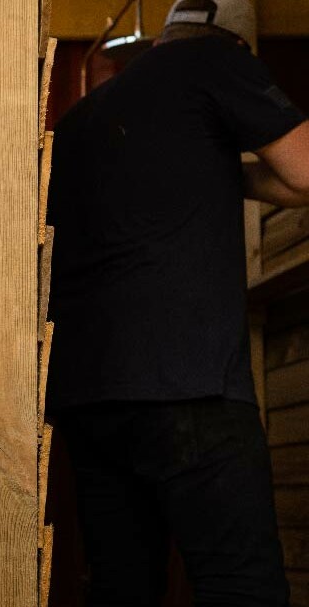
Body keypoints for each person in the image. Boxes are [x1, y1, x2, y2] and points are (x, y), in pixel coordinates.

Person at [46, 0, 309, 604]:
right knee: (243, 590)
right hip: (191, 387)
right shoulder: (216, 61)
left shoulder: (83, 116)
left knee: (123, 589)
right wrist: (229, 173)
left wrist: (206, 168)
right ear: (236, 43)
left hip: (91, 401)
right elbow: (301, 173)